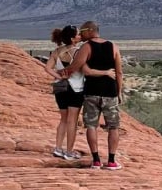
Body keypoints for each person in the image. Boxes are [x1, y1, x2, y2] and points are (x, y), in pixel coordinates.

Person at [66, 20, 123, 169]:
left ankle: (96, 160)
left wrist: (60, 72)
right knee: (113, 127)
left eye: (82, 31)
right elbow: (119, 72)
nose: (81, 34)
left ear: (91, 30)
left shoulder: (86, 47)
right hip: (110, 92)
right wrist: (119, 91)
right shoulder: (113, 47)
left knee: (91, 126)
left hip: (91, 92)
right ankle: (111, 161)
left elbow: (76, 66)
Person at [44, 25, 84, 161]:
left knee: (63, 119)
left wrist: (59, 76)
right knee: (72, 120)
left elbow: (47, 68)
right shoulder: (79, 52)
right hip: (75, 88)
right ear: (73, 39)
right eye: (78, 34)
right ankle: (69, 151)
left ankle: (58, 148)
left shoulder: (57, 51)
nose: (80, 36)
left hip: (60, 88)